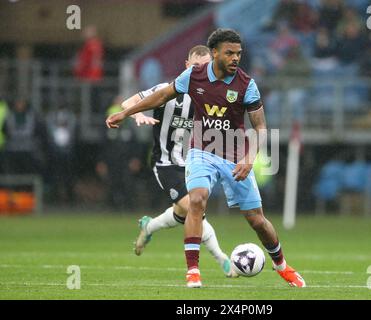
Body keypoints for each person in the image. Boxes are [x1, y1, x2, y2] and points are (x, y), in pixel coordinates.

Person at [106, 29, 306, 288]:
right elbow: (162, 94)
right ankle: (193, 271)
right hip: (202, 151)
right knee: (196, 201)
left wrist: (248, 157)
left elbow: (260, 128)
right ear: (214, 53)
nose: (236, 58)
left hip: (234, 154)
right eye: (230, 53)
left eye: (239, 53)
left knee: (256, 219)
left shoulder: (246, 84)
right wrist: (127, 112)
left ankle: (282, 266)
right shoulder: (194, 76)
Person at [118, 45, 236, 278]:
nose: (199, 71)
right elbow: (127, 102)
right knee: (194, 208)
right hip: (166, 163)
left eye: (204, 68)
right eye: (195, 67)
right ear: (186, 66)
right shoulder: (165, 90)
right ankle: (221, 257)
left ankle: (149, 226)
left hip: (193, 165)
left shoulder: (211, 98)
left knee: (182, 214)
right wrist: (139, 114)